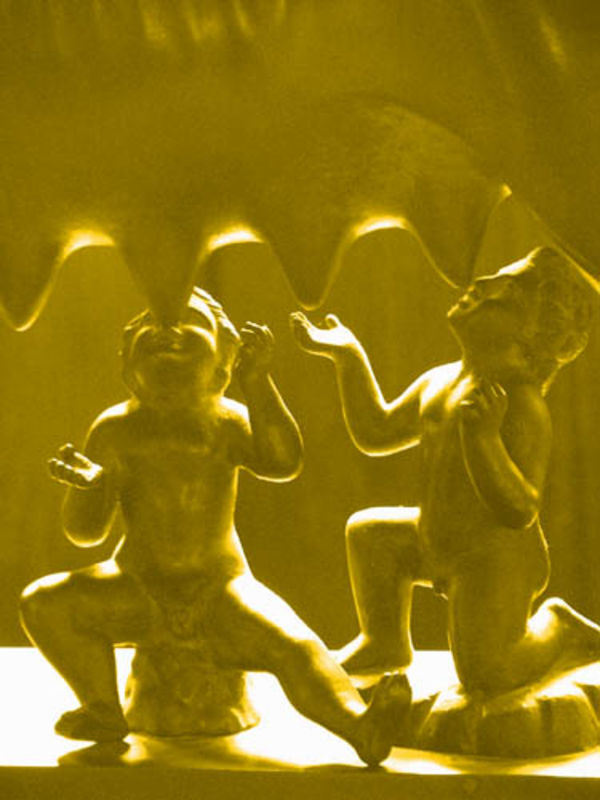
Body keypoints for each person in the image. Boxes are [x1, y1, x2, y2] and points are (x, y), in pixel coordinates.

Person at [20, 287, 407, 765]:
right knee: (43, 603)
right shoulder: (114, 430)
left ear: (225, 358)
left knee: (296, 647)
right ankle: (102, 707)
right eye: (151, 326)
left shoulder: (226, 421)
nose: (167, 331)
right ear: (128, 363)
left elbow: (282, 461)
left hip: (219, 591)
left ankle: (359, 725)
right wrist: (90, 487)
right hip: (137, 588)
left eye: (189, 322)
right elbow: (85, 533)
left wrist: (258, 383)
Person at [291, 247, 600, 695]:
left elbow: (520, 508)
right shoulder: (441, 379)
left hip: (494, 560)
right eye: (495, 275)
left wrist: (485, 440)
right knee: (370, 534)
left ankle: (560, 629)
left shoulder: (522, 403)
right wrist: (348, 356)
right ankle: (384, 641)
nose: (482, 284)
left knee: (487, 674)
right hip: (435, 537)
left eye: (507, 289)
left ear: (531, 330)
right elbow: (376, 431)